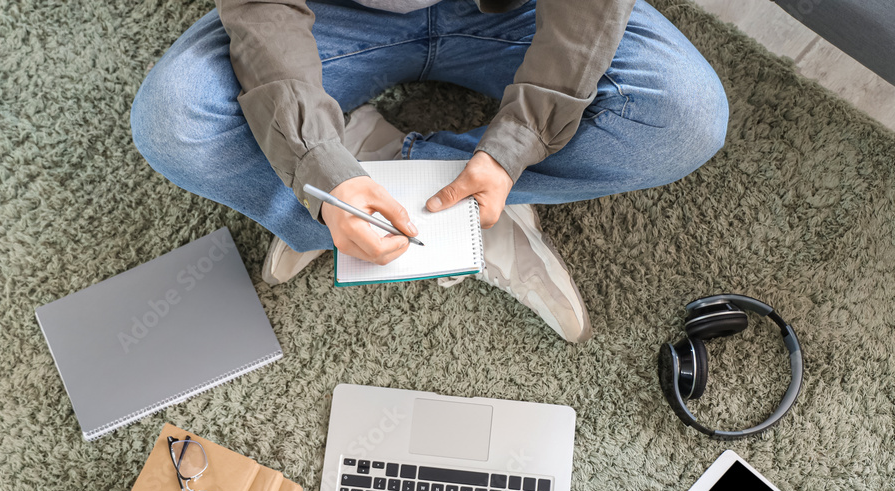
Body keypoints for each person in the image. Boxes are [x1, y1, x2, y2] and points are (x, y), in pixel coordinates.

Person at [130, 0, 729, 343]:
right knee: (174, 122)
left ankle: (450, 187)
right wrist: (315, 156)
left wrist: (512, 147)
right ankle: (352, 194)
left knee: (683, 115)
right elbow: (263, 9)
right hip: (325, 15)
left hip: (517, 12)